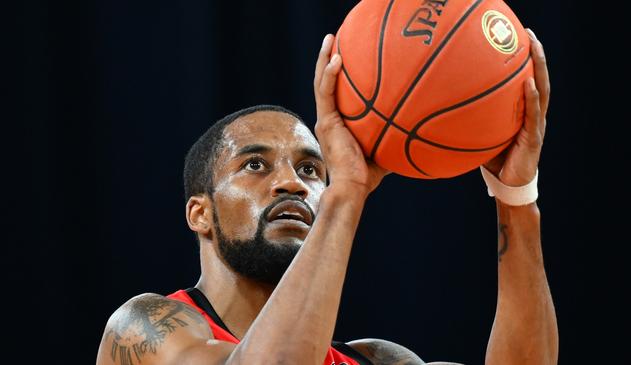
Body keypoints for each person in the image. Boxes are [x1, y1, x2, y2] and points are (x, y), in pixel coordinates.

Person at [96, 30, 557, 365]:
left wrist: (515, 195)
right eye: (255, 165)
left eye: (312, 169)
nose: (292, 183)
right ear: (200, 213)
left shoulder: (377, 360)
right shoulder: (147, 328)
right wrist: (347, 192)